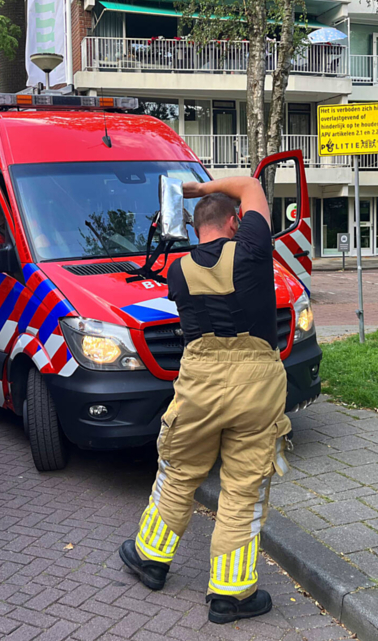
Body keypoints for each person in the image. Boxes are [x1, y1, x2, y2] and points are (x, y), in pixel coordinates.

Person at [119, 176, 291, 624]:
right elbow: (251, 184)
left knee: (178, 471)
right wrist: (200, 188)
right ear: (236, 222)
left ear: (195, 231)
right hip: (257, 385)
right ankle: (230, 596)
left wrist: (181, 201)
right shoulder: (253, 249)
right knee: (243, 487)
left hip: (200, 383)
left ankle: (150, 559)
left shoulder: (178, 271)